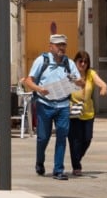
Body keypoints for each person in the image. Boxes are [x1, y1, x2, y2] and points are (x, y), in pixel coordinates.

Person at [21, 33, 81, 181]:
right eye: (58, 45)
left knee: (62, 136)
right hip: (44, 104)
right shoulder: (42, 60)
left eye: (64, 45)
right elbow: (28, 80)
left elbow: (80, 82)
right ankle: (39, 162)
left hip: (63, 104)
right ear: (51, 46)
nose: (61, 48)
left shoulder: (69, 63)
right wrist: (39, 89)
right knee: (43, 137)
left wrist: (76, 81)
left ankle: (58, 170)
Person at [68, 51, 107, 177]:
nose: (83, 64)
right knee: (75, 140)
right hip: (73, 110)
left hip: (88, 111)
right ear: (76, 62)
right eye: (80, 61)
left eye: (85, 62)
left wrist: (103, 88)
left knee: (87, 139)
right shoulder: (70, 74)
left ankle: (76, 158)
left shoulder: (91, 73)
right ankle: (76, 166)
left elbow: (102, 83)